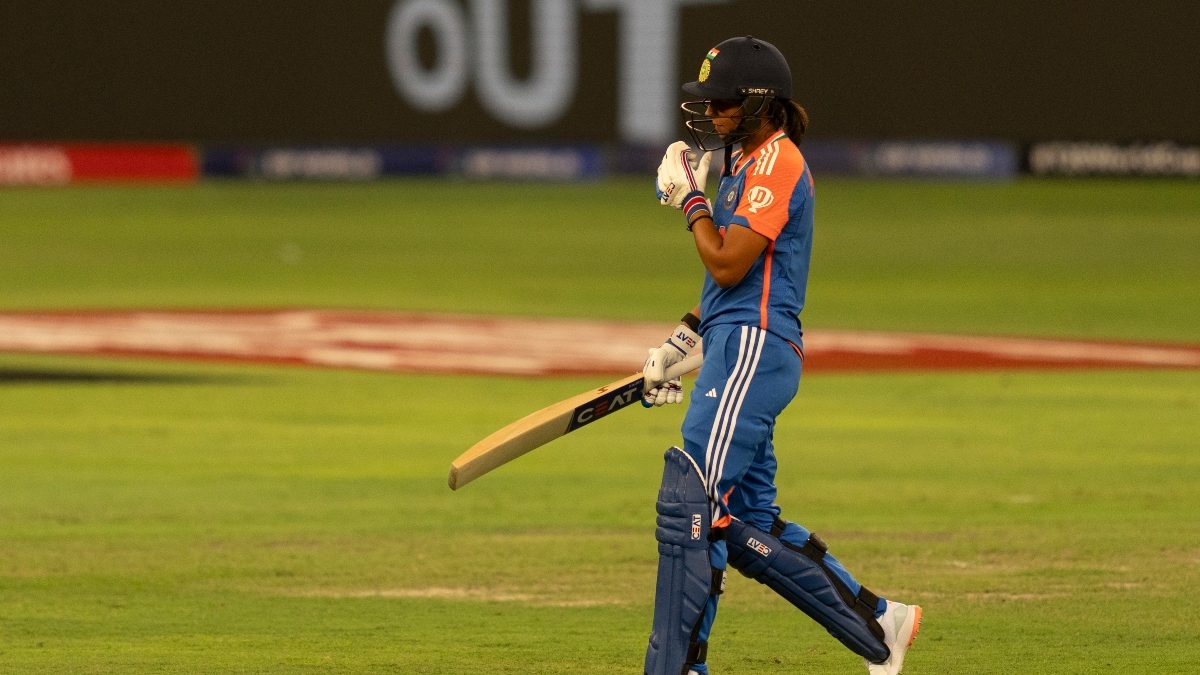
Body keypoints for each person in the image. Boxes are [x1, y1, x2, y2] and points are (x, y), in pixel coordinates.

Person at [641, 36, 922, 675]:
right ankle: (880, 620)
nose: (710, 115)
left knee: (690, 502)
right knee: (743, 522)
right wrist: (683, 341)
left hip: (752, 351)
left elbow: (730, 263)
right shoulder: (746, 165)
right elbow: (727, 288)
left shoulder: (776, 162)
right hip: (741, 348)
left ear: (759, 103)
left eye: (722, 103)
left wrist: (690, 202)